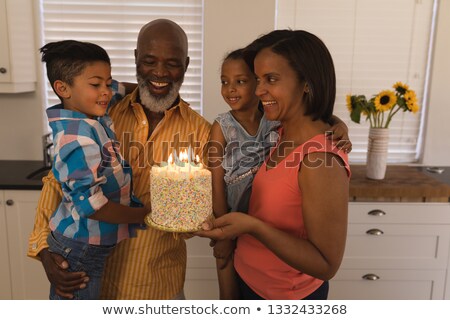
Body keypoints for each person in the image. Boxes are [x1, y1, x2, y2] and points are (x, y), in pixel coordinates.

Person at [28, 19, 211, 300]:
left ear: (186, 65)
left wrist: (186, 214)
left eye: (172, 63)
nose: (160, 73)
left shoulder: (201, 132)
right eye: (149, 61)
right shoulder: (101, 113)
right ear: (136, 59)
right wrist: (44, 250)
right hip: (86, 278)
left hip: (156, 287)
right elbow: (56, 185)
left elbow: (191, 220)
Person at [197, 29, 351, 300]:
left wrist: (252, 226)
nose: (258, 90)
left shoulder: (320, 161)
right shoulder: (279, 132)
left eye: (271, 79)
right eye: (257, 79)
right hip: (247, 278)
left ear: (306, 82)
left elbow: (326, 264)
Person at [39, 40, 148, 299]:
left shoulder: (90, 108)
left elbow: (122, 89)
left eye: (107, 82)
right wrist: (143, 215)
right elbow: (93, 206)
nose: (106, 92)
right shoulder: (76, 140)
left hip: (87, 246)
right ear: (62, 88)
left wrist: (152, 91)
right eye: (96, 84)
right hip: (78, 253)